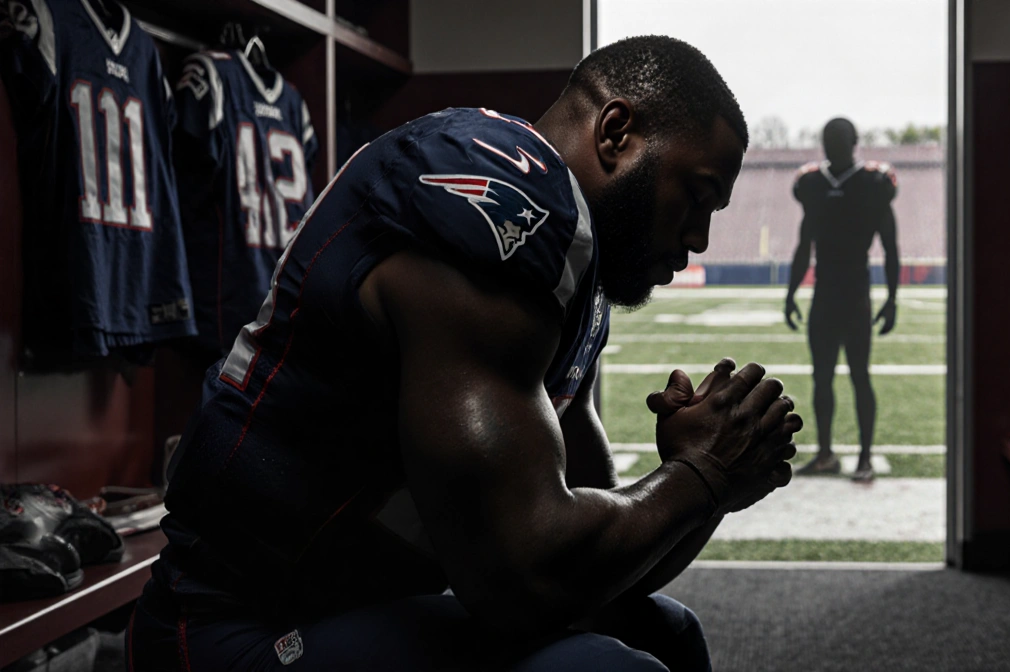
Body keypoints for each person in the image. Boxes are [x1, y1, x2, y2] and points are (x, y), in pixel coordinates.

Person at [128, 36, 803, 671]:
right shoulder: (500, 195)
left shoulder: (570, 280)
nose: (701, 237)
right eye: (698, 194)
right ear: (616, 133)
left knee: (667, 631)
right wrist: (705, 472)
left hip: (363, 605)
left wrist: (700, 478)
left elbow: (593, 573)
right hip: (234, 627)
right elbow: (525, 576)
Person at [783, 117, 898, 482]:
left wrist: (893, 298)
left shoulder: (873, 183)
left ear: (854, 141)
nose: (832, 144)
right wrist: (790, 294)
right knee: (822, 377)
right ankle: (826, 453)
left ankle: (864, 456)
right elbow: (804, 245)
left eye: (839, 138)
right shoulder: (813, 184)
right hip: (826, 289)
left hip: (855, 291)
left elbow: (892, 247)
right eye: (828, 138)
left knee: (860, 376)